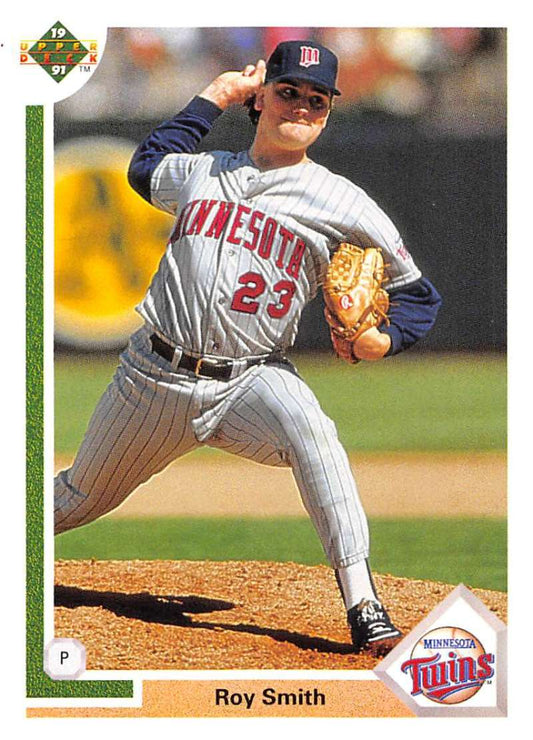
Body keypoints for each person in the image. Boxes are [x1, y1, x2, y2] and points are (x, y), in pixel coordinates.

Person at [55, 40, 442, 655]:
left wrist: (382, 339)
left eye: (317, 101)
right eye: (288, 91)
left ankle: (364, 605)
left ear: (326, 115)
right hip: (153, 377)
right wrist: (215, 95)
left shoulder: (344, 202)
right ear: (260, 99)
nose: (301, 107)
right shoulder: (202, 171)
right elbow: (144, 167)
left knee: (313, 432)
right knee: (75, 499)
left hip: (251, 380)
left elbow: (420, 296)